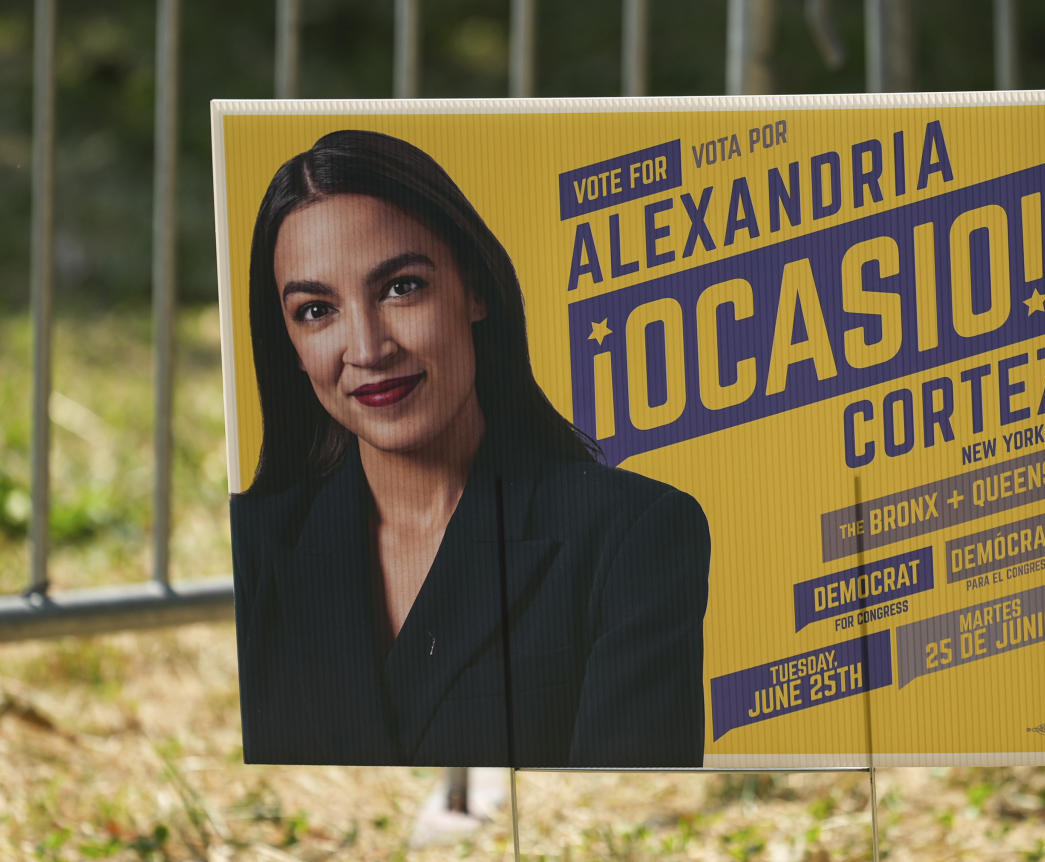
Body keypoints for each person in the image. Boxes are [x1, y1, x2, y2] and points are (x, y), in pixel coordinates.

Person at [229, 129, 710, 768]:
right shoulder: (251, 544)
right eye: (317, 310)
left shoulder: (636, 533)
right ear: (288, 344)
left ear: (475, 290)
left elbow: (629, 819)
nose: (368, 349)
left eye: (401, 288)